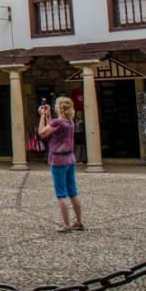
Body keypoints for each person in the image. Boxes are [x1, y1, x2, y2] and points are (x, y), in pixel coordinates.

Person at [38, 96, 84, 233]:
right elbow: (52, 127)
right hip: (70, 158)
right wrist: (48, 115)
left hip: (58, 160)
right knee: (73, 191)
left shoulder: (58, 122)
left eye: (56, 105)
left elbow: (42, 133)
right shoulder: (70, 122)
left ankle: (66, 225)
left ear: (60, 108)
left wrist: (41, 116)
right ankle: (79, 221)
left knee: (60, 193)